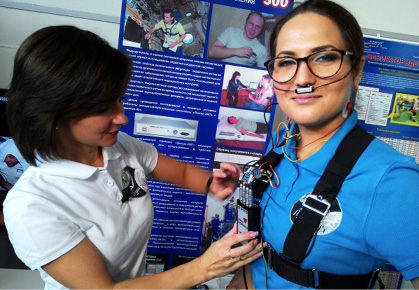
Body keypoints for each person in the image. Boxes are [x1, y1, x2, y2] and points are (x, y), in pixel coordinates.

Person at [3, 25, 264, 289]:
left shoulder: (120, 149)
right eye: (104, 108)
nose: (123, 117)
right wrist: (204, 268)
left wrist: (213, 183)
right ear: (53, 113)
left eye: (119, 99)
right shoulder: (31, 207)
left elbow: (182, 173)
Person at [227, 0, 419, 289]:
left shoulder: (391, 183)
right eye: (287, 61)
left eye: (324, 57)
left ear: (356, 71)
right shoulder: (284, 144)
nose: (303, 78)